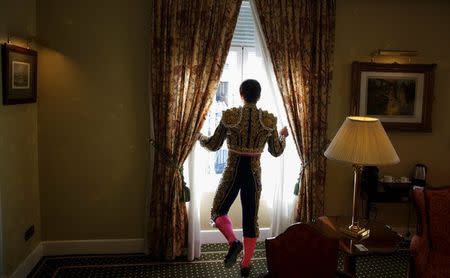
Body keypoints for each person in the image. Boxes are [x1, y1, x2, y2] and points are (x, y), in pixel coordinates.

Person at [198, 79, 288, 277]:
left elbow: (213, 145)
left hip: (233, 171)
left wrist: (199, 136)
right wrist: (283, 136)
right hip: (254, 174)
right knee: (250, 219)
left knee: (217, 211)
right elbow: (276, 151)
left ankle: (233, 242)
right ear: (259, 96)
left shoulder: (230, 116)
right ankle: (246, 265)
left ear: (241, 94)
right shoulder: (268, 120)